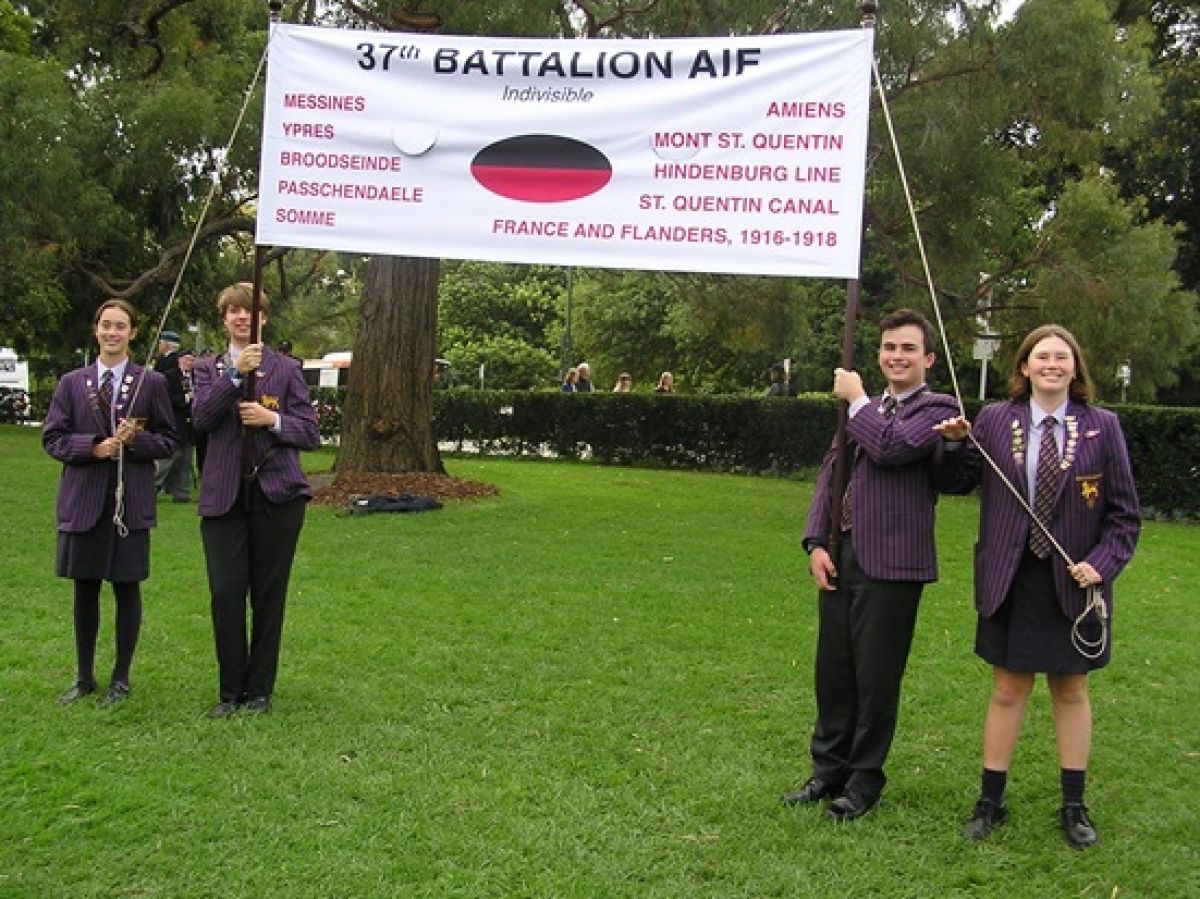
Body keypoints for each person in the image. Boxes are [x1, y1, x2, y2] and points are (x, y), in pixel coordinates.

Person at [933, 324, 1140, 849]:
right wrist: (957, 446)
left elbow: (1124, 516)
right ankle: (990, 802)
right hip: (1011, 576)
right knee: (1007, 690)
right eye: (1041, 356)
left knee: (1070, 689)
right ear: (1024, 367)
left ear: (1075, 368)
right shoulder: (996, 420)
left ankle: (1074, 806)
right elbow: (959, 483)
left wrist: (1102, 564)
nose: (1051, 364)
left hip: (1073, 579)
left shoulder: (1104, 426)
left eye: (1061, 357)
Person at [782, 308, 958, 821]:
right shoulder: (863, 408)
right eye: (888, 347)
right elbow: (832, 472)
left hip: (894, 562)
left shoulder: (936, 410)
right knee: (833, 670)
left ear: (926, 357)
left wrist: (856, 399)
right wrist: (816, 542)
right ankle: (827, 770)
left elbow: (891, 448)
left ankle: (864, 780)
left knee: (875, 675)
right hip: (843, 554)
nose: (896, 357)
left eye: (907, 349)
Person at [191, 282, 320, 718]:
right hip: (224, 496)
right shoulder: (207, 369)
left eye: (251, 311)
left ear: (263, 318)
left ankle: (259, 691)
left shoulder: (286, 369)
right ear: (224, 318)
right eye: (234, 312)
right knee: (226, 592)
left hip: (277, 496)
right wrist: (233, 377)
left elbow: (310, 431)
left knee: (269, 594)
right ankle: (230, 692)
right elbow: (202, 419)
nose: (243, 318)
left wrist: (273, 419)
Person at [42, 299, 177, 706]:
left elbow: (170, 440)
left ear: (132, 333)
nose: (113, 333)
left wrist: (136, 442)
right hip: (83, 502)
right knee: (85, 588)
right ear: (96, 330)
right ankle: (84, 677)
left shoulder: (150, 384)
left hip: (129, 504)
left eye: (121, 326)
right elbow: (53, 438)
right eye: (106, 326)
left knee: (125, 587)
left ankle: (121, 678)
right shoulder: (71, 383)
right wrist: (92, 448)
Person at [153, 332, 195, 502]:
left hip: (189, 423)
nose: (189, 363)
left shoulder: (194, 377)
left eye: (192, 360)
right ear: (179, 360)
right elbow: (167, 398)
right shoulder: (170, 376)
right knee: (169, 457)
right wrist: (186, 398)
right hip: (174, 420)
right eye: (186, 360)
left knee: (185, 458)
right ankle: (151, 486)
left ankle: (182, 492)